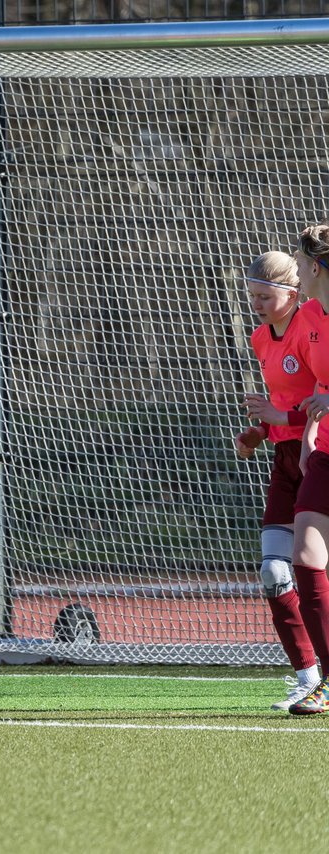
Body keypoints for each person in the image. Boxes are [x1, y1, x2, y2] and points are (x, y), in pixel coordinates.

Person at [236, 251, 320, 710]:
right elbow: (280, 404)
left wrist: (280, 416)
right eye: (253, 295)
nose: (257, 303)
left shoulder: (311, 328)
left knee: (313, 572)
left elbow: (319, 397)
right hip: (284, 459)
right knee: (273, 572)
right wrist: (260, 430)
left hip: (317, 453)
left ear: (293, 293)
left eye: (265, 296)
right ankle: (308, 675)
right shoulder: (259, 338)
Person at [283, 223, 329, 715]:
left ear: (316, 267)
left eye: (299, 261)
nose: (295, 268)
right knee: (306, 557)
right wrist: (310, 440)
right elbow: (316, 388)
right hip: (326, 454)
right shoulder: (310, 315)